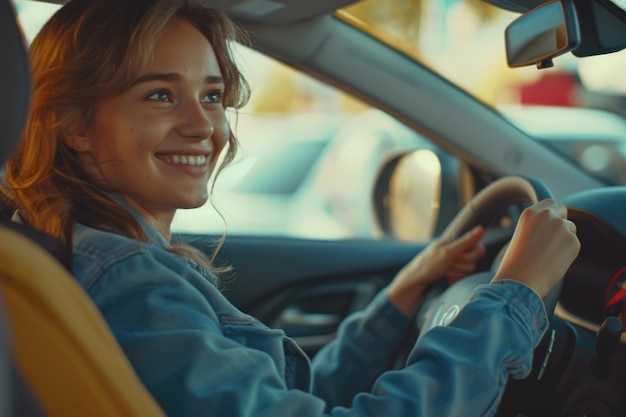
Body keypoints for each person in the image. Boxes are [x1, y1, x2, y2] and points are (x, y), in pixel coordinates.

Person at [1, 0, 580, 416]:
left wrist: (404, 292)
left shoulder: (87, 257)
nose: (204, 125)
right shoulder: (135, 284)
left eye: (211, 95)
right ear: (74, 124)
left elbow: (292, 401)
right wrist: (514, 298)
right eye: (159, 95)